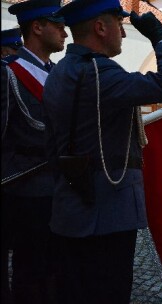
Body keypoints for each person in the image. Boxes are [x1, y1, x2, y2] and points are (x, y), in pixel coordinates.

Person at [41, 0, 162, 302]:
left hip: (69, 205)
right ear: (100, 27)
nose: (123, 35)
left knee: (72, 291)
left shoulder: (60, 71)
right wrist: (160, 39)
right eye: (118, 25)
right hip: (106, 212)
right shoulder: (101, 74)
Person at [1, 1, 67, 303]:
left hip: (61, 189)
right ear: (37, 27)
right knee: (30, 273)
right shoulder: (9, 74)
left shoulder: (59, 74)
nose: (64, 29)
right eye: (56, 23)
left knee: (55, 271)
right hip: (25, 191)